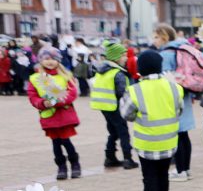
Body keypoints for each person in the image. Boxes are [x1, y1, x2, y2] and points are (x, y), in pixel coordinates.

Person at [120, 50, 183, 191]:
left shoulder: (134, 90)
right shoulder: (174, 87)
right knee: (163, 175)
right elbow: (179, 110)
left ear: (140, 69)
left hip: (146, 144)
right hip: (168, 142)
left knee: (149, 177)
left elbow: (126, 114)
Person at [26, 45, 82, 180]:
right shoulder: (36, 78)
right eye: (46, 58)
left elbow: (72, 93)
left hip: (64, 115)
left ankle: (75, 163)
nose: (49, 61)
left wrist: (58, 101)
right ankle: (61, 166)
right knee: (55, 143)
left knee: (66, 140)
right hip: (49, 116)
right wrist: (42, 103)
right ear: (40, 60)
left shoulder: (65, 76)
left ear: (58, 60)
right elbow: (32, 96)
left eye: (53, 58)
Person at [153, 23, 195, 183]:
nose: (154, 40)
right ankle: (187, 169)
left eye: (156, 36)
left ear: (164, 36)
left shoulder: (165, 54)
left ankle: (180, 170)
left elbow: (164, 78)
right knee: (184, 135)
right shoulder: (181, 48)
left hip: (172, 97)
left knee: (177, 135)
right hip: (184, 93)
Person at [92, 41, 138, 169]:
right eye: (123, 55)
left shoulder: (102, 70)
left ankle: (110, 157)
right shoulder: (117, 73)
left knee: (113, 132)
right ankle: (128, 159)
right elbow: (122, 92)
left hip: (104, 106)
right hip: (115, 106)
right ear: (116, 57)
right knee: (123, 132)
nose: (126, 58)